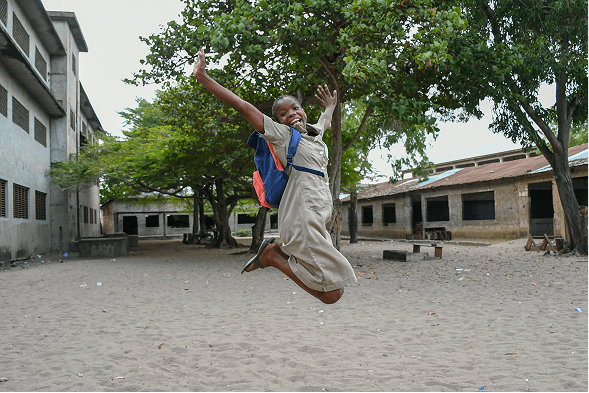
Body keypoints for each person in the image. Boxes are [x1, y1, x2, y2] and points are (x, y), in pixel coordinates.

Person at [192, 50, 357, 304]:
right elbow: (243, 106)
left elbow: (324, 122)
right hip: (302, 220)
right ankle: (272, 258)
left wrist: (331, 107)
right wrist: (204, 78)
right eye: (283, 114)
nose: (291, 114)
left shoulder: (313, 136)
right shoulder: (283, 137)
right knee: (332, 294)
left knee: (337, 289)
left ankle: (274, 252)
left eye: (295, 108)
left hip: (316, 221)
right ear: (279, 121)